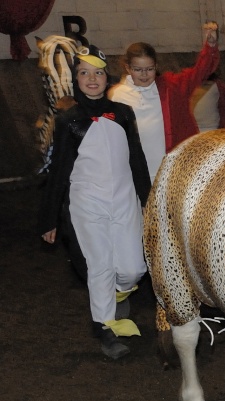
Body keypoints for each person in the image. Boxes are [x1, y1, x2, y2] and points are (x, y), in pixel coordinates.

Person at [38, 45, 151, 360]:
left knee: (132, 268)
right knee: (99, 266)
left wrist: (147, 199)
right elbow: (59, 170)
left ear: (106, 77)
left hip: (125, 200)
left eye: (98, 73)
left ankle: (120, 292)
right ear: (76, 79)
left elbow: (137, 160)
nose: (92, 79)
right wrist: (49, 219)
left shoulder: (123, 114)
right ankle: (104, 329)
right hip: (88, 204)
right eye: (84, 73)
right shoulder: (68, 120)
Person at [109, 22, 220, 183]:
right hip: (135, 172)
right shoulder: (117, 95)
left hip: (172, 171)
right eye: (138, 69)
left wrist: (210, 47)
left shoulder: (170, 87)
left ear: (156, 66)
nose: (144, 74)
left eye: (150, 69)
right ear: (127, 68)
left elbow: (199, 72)